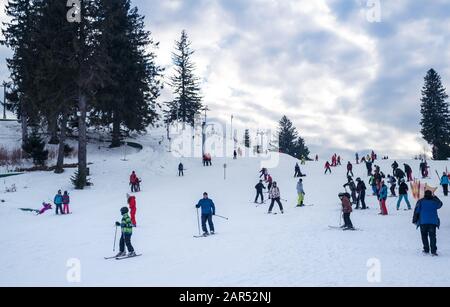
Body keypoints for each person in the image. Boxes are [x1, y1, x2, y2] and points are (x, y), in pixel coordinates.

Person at [413, 190, 443, 256]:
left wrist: (414, 219)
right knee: (432, 236)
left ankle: (426, 249)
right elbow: (440, 204)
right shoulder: (434, 201)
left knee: (424, 236)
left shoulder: (420, 201)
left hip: (423, 221)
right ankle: (433, 251)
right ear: (431, 195)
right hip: (433, 222)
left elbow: (416, 211)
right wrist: (435, 197)